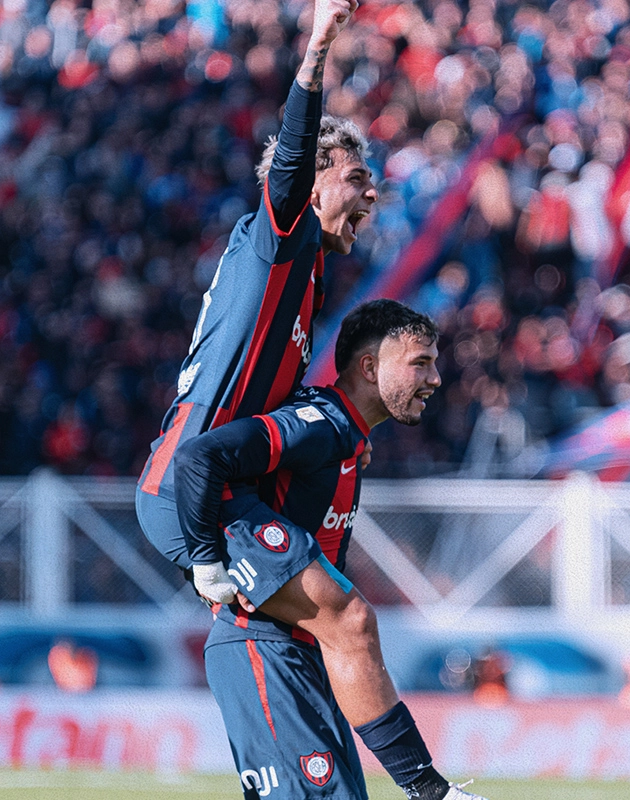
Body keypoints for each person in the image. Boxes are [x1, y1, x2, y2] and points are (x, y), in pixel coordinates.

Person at [175, 300, 485, 799]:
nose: (435, 379)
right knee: (355, 619)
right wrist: (205, 561)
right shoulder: (320, 423)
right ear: (369, 367)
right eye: (420, 362)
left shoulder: (347, 439)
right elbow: (199, 457)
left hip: (301, 657)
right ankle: (430, 791)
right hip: (262, 649)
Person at [136, 0, 377, 568]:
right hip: (188, 487)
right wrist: (318, 45)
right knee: (346, 620)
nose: (372, 194)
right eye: (356, 179)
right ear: (311, 189)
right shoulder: (283, 237)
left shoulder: (304, 274)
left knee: (310, 632)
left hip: (218, 487)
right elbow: (293, 150)